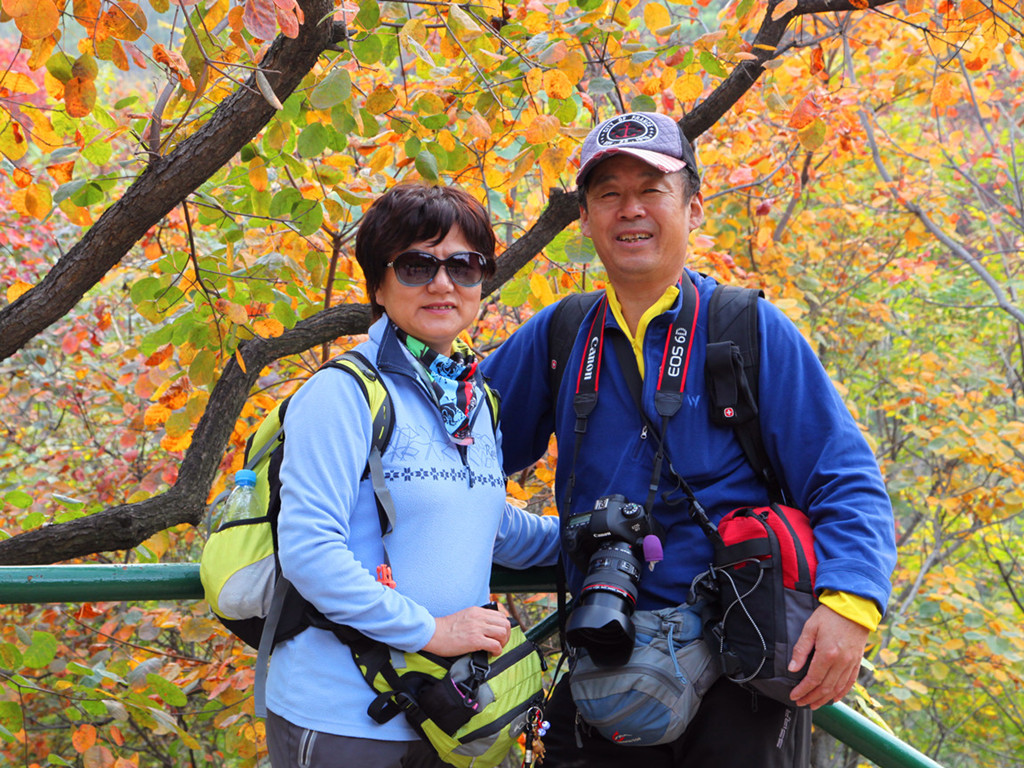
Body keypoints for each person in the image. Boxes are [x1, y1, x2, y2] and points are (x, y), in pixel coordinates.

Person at [480, 112, 897, 767]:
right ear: (584, 219)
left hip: (743, 664)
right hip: (606, 660)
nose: (631, 210)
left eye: (652, 190)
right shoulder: (562, 335)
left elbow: (844, 476)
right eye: (609, 194)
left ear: (694, 209)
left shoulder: (747, 330)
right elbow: (453, 452)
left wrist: (851, 606)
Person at [264, 183, 561, 768]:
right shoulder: (342, 394)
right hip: (345, 717)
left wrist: (582, 534)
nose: (443, 283)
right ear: (378, 284)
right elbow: (309, 552)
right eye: (417, 266)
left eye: (464, 266)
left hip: (447, 714)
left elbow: (485, 525)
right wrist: (432, 631)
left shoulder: (475, 400)